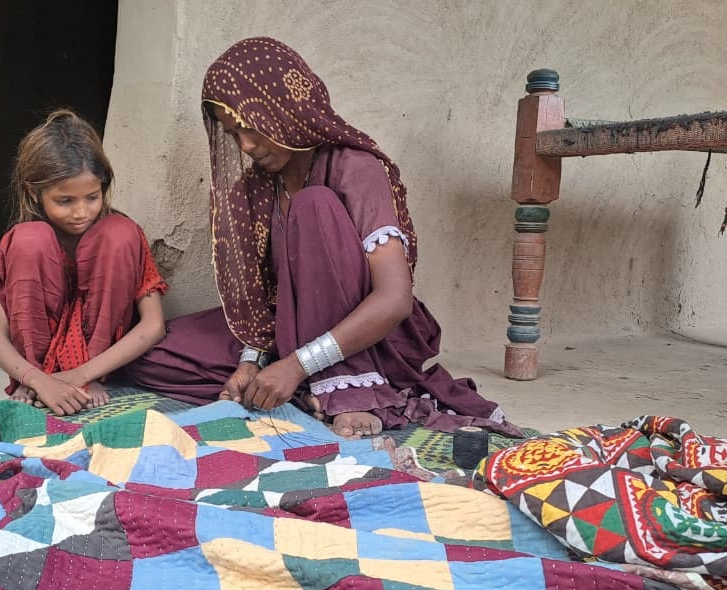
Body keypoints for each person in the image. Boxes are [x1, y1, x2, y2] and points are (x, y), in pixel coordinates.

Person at [126, 37, 520, 439]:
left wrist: (294, 366)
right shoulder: (257, 188)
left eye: (251, 127)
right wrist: (250, 363)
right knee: (149, 353)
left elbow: (394, 299)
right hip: (289, 329)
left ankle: (350, 389)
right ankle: (302, 389)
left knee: (313, 205)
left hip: (370, 343)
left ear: (285, 107)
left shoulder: (355, 167)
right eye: (233, 134)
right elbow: (264, 302)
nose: (246, 145)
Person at [0, 109, 168, 416]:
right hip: (34, 372)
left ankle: (87, 375)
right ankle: (34, 381)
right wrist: (36, 379)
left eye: (92, 197)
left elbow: (153, 326)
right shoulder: (23, 242)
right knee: (29, 238)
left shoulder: (122, 236)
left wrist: (78, 377)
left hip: (98, 368)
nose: (81, 212)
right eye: (65, 201)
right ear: (34, 191)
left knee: (119, 233)